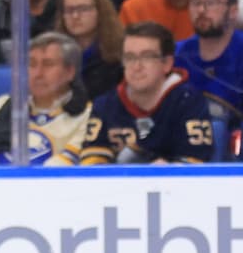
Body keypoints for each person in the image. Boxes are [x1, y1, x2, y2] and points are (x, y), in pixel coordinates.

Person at [83, 21, 217, 163]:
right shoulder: (104, 105)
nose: (137, 66)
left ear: (167, 63)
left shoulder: (188, 102)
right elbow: (91, 163)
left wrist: (162, 173)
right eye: (130, 57)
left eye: (147, 57)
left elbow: (196, 164)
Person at [0, 32, 91, 166]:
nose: (38, 73)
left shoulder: (87, 114)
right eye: (32, 64)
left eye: (48, 64)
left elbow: (66, 167)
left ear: (70, 72)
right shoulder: (4, 104)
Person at [175, 0, 243, 120]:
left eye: (211, 2)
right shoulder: (175, 54)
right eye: (195, 2)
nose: (201, 10)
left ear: (233, 11)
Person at [58, 0, 127, 98]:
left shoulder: (120, 52)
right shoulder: (56, 52)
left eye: (83, 9)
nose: (75, 16)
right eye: (69, 10)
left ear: (100, 12)